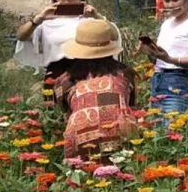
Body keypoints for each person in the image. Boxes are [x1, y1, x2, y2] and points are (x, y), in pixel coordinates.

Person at [54, 19, 138, 160]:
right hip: (120, 135)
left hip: (80, 138)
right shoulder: (125, 74)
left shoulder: (65, 80)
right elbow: (132, 104)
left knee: (82, 176)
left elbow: (62, 109)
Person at [15, 0, 108, 82]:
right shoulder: (45, 21)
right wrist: (38, 19)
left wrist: (96, 16)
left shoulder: (91, 19)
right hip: (55, 77)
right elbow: (21, 36)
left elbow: (113, 35)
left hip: (87, 78)